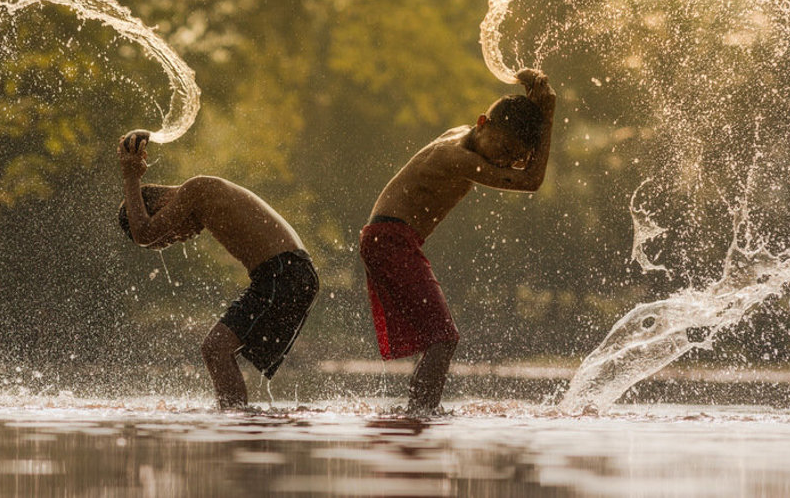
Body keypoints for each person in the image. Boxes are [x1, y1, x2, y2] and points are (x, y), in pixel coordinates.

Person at [360, 69, 556, 414]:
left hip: (391, 238)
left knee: (439, 338)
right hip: (390, 238)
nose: (503, 161)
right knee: (443, 337)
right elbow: (531, 182)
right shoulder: (458, 158)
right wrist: (550, 116)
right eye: (504, 149)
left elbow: (514, 137)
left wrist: (534, 110)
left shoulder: (465, 135)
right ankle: (420, 414)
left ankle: (417, 411)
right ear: (482, 122)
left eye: (513, 157)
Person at [117, 130, 319, 409]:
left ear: (162, 205)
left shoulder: (196, 189)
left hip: (284, 273)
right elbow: (146, 233)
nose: (179, 238)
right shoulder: (203, 197)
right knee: (216, 350)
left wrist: (130, 176)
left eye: (169, 236)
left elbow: (143, 232)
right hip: (283, 274)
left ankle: (236, 424)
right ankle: (242, 418)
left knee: (215, 349)